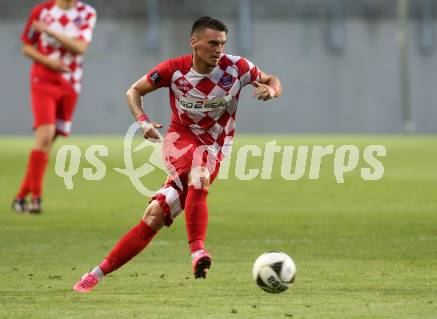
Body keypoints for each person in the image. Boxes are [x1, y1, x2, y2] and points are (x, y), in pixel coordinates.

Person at [73, 16, 282, 292]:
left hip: (217, 147)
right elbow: (134, 91)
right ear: (194, 42)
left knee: (154, 215)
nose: (218, 49)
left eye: (222, 43)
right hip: (180, 141)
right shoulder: (174, 70)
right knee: (199, 170)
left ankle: (94, 275)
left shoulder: (237, 67)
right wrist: (143, 120)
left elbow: (271, 79)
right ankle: (197, 252)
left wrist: (272, 90)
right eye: (212, 43)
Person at [12, 0, 97, 213]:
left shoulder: (87, 12)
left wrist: (50, 31)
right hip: (43, 78)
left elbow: (80, 47)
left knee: (49, 141)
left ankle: (21, 197)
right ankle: (36, 199)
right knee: (45, 135)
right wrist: (49, 63)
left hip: (71, 81)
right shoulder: (42, 11)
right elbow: (26, 47)